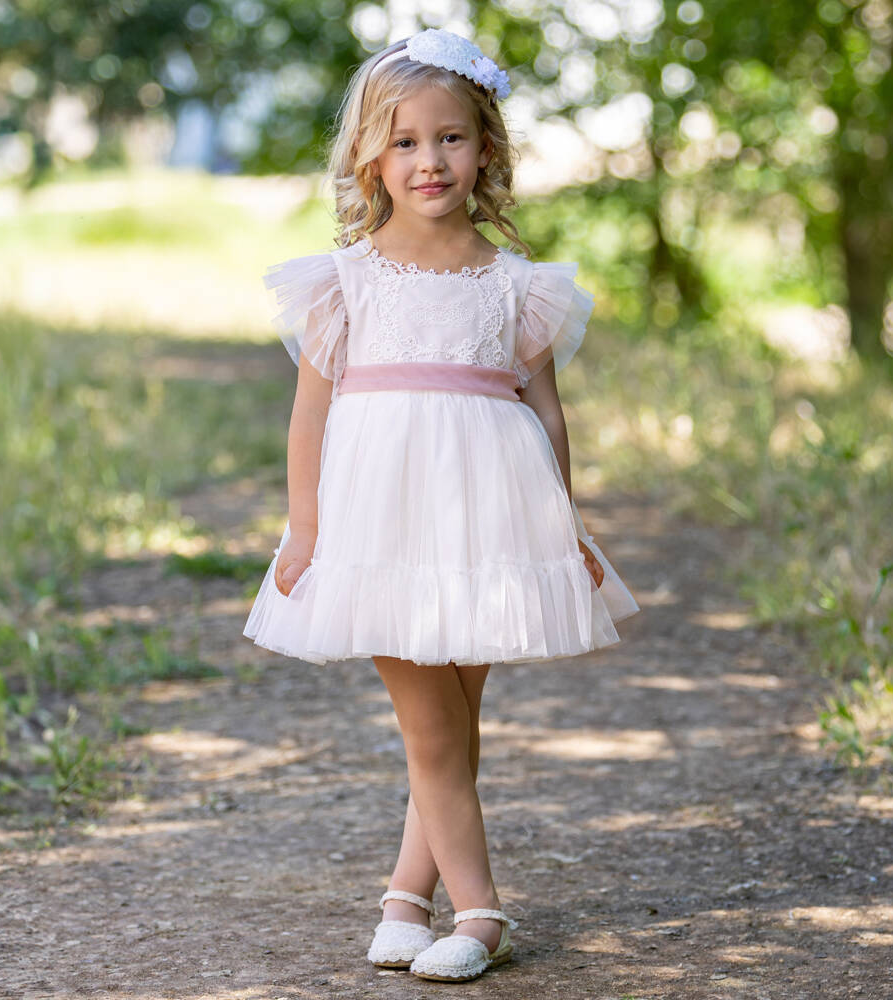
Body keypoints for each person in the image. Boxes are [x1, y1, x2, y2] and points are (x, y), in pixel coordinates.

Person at [242, 27, 640, 983]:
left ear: (485, 147)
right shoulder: (345, 281)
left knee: (455, 725)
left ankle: (403, 898)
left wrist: (567, 526)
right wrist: (306, 529)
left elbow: (546, 413)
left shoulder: (516, 286)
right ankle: (482, 912)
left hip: (490, 520)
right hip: (383, 526)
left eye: (451, 138)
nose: (430, 161)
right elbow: (311, 415)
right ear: (371, 157)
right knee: (431, 728)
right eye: (407, 142)